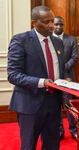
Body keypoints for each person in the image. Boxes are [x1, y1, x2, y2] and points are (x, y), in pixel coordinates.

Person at [7, 6, 70, 150]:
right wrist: (42, 82)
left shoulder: (58, 42)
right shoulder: (20, 40)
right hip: (30, 104)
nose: (51, 26)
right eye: (46, 22)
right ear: (34, 23)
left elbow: (59, 69)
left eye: (52, 21)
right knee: (29, 145)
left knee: (52, 144)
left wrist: (65, 79)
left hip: (54, 103)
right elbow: (13, 75)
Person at [53, 16, 79, 139]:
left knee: (69, 105)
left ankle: (73, 129)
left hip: (68, 77)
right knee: (55, 105)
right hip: (53, 79)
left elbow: (75, 58)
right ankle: (59, 131)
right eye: (56, 24)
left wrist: (62, 71)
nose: (59, 27)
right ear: (53, 25)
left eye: (61, 24)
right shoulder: (49, 39)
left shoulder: (71, 39)